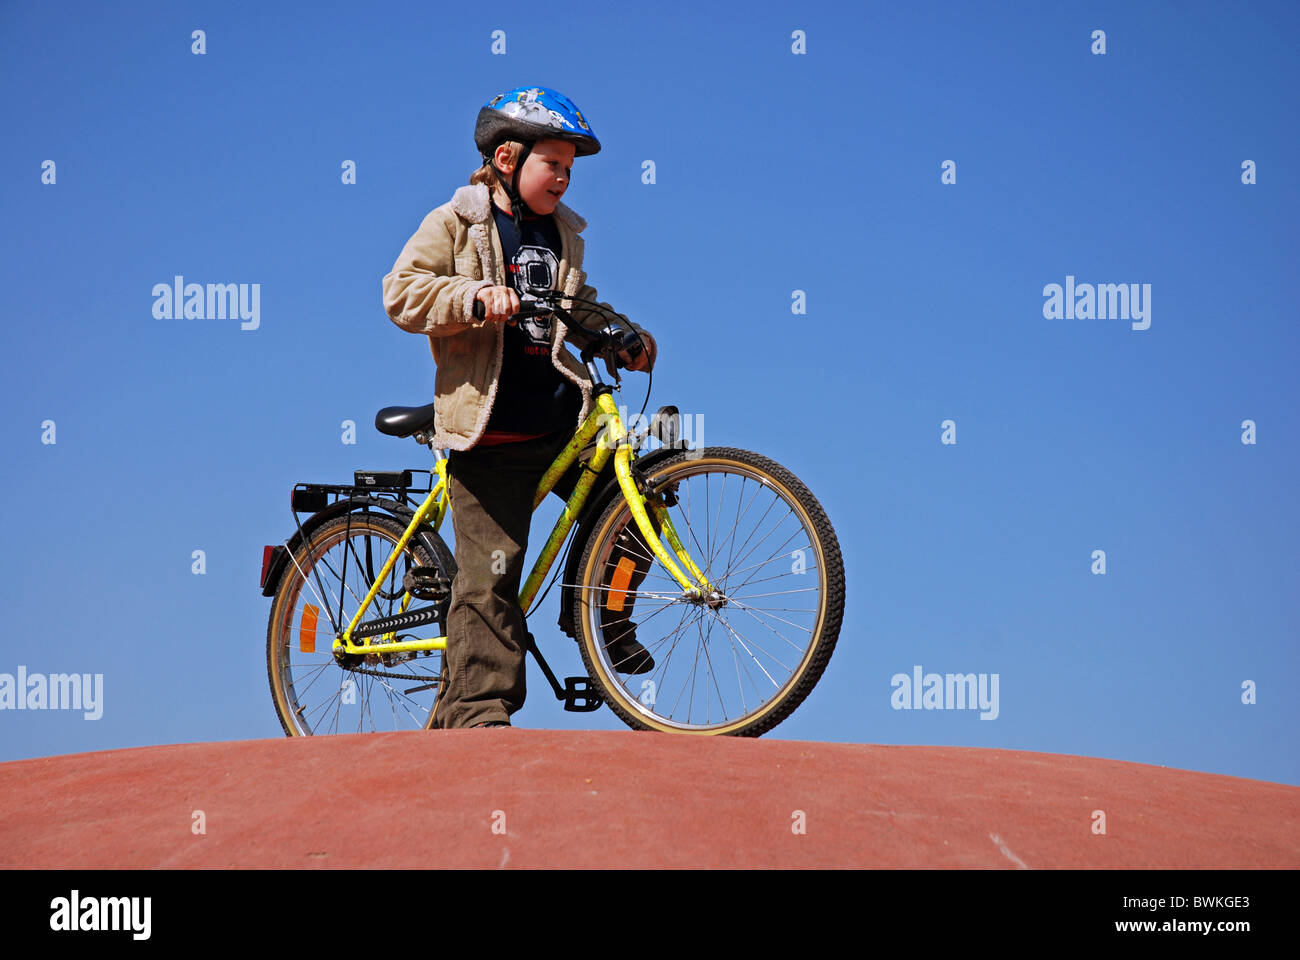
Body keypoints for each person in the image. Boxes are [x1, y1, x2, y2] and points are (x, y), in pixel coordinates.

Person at [382, 86, 659, 729]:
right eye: (552, 163)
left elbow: (575, 303)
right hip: (491, 433)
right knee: (491, 582)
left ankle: (601, 618)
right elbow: (403, 292)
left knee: (641, 511)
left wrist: (616, 333)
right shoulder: (459, 220)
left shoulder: (560, 235)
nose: (563, 177)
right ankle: (477, 712)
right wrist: (476, 297)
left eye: (569, 167)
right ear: (508, 157)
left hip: (560, 425)